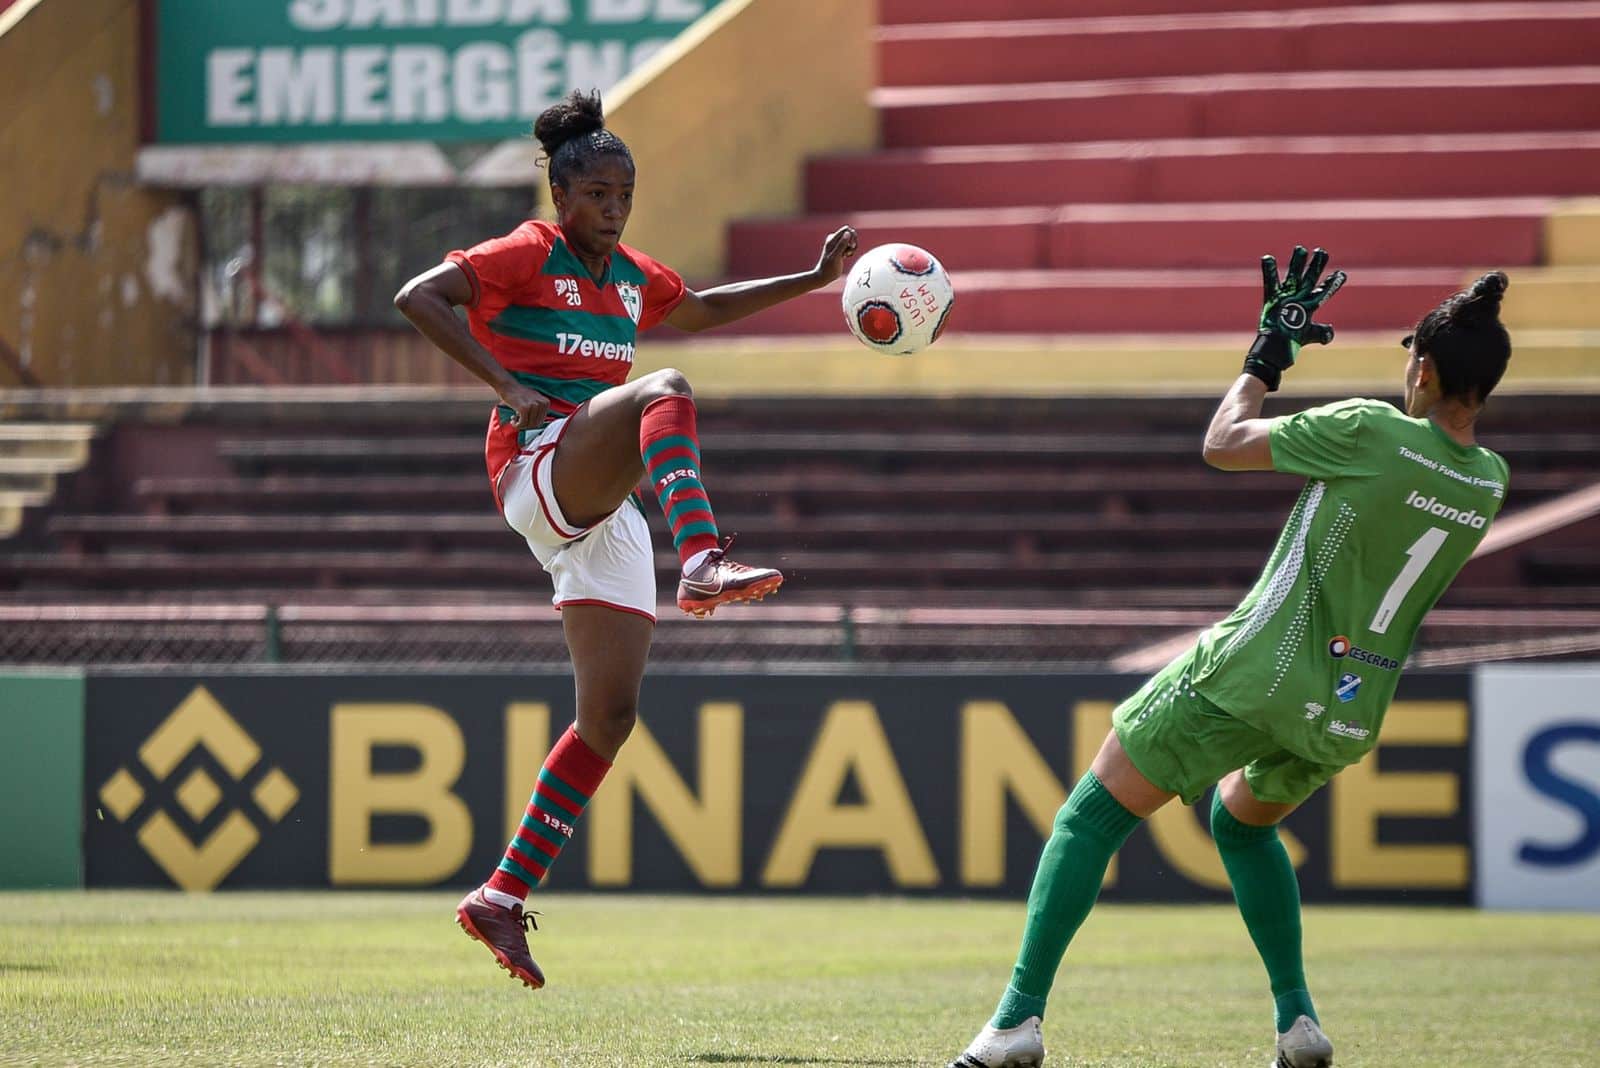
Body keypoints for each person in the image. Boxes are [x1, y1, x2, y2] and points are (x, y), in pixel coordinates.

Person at [947, 250, 1513, 1068]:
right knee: (1240, 823)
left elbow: (1222, 442)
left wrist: (1265, 359)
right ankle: (1297, 1024)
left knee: (1090, 815)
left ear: (1422, 369)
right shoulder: (1488, 480)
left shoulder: (1370, 429)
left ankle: (1014, 1025)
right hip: (1350, 705)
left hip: (1259, 669)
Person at [394, 89, 858, 990]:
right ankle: (704, 558)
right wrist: (505, 385)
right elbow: (418, 297)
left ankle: (500, 893)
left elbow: (706, 305)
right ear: (561, 199)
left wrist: (810, 280)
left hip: (598, 502)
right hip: (535, 464)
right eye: (597, 196)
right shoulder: (528, 251)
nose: (611, 211)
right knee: (665, 385)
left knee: (608, 718)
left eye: (623, 197)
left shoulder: (632, 276)